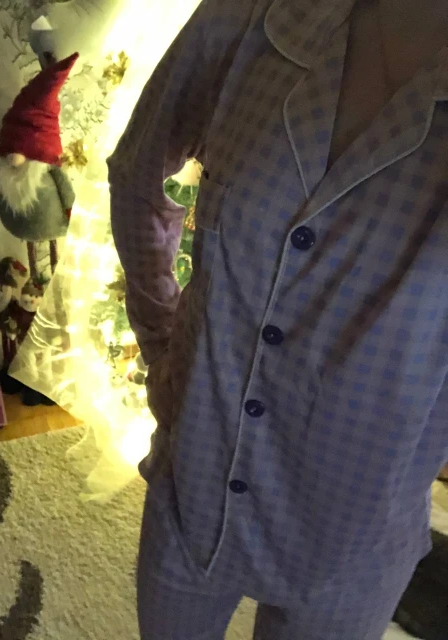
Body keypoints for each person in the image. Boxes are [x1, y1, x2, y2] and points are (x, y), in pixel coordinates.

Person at [108, 0, 448, 638]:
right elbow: (137, 176)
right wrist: (160, 342)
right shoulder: (249, 21)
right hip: (196, 488)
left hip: (352, 540)